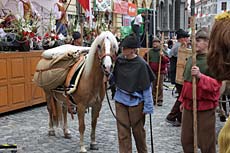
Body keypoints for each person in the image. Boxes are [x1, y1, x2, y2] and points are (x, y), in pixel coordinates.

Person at [179, 27, 221, 153]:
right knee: (186, 140)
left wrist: (200, 77)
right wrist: (182, 100)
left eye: (199, 40)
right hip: (188, 106)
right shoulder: (191, 59)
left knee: (206, 141)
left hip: (205, 107)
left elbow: (216, 86)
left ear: (208, 42)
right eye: (195, 40)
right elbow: (186, 84)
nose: (195, 42)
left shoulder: (213, 61)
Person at [112, 34, 155, 153]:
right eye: (122, 48)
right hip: (120, 100)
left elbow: (146, 87)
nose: (122, 50)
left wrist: (148, 106)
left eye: (125, 48)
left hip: (136, 103)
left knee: (138, 132)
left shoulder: (141, 64)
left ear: (132, 50)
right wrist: (107, 75)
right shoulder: (119, 60)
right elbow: (114, 78)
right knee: (123, 132)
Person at [165, 29, 189, 126]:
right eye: (186, 38)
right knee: (181, 97)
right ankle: (171, 116)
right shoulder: (179, 47)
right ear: (182, 38)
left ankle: (179, 118)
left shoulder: (178, 46)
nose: (187, 39)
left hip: (176, 73)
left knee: (182, 96)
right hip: (178, 74)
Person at [147, 37, 169, 106]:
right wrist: (146, 56)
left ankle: (159, 99)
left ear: (159, 43)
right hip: (152, 71)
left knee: (159, 86)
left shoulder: (162, 51)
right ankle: (153, 99)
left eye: (156, 42)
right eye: (153, 42)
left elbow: (167, 60)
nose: (155, 44)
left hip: (160, 71)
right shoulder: (150, 51)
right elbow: (145, 59)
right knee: (153, 86)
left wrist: (162, 56)